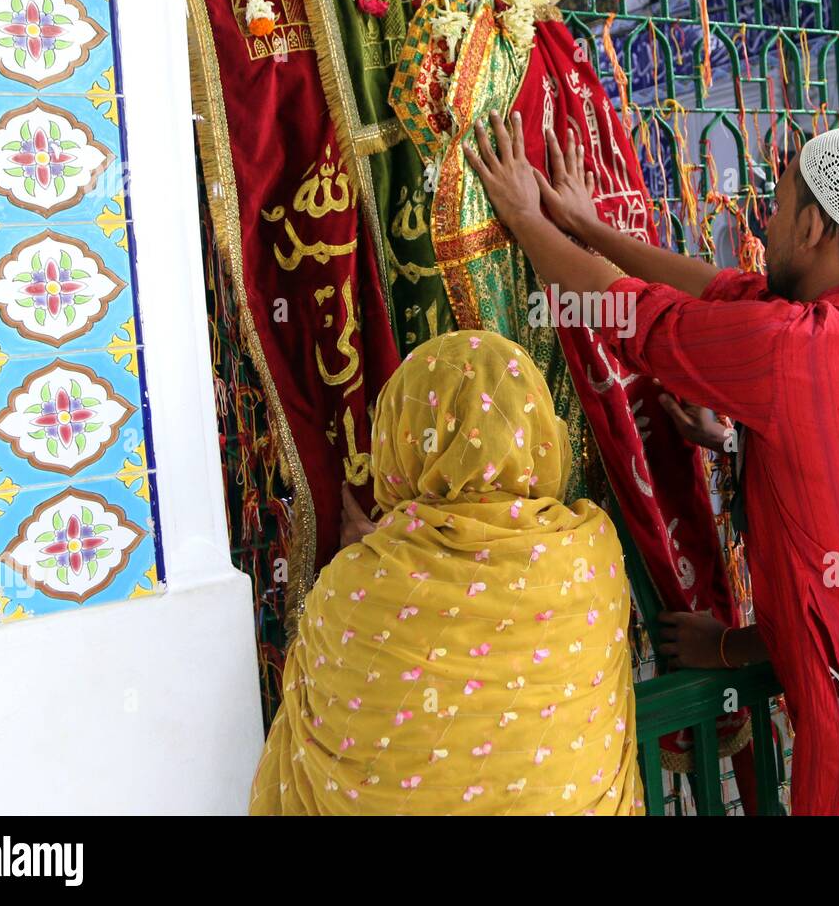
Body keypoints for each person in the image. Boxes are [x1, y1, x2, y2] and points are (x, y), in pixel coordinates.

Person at [464, 113, 839, 815]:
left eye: (780, 206)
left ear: (814, 230)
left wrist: (529, 223)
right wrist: (590, 230)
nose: (764, 226)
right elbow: (731, 292)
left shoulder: (794, 351)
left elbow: (635, 316)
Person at [250, 330, 643, 815]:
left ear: (396, 438)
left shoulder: (346, 591)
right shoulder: (590, 554)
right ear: (540, 430)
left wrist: (374, 566)